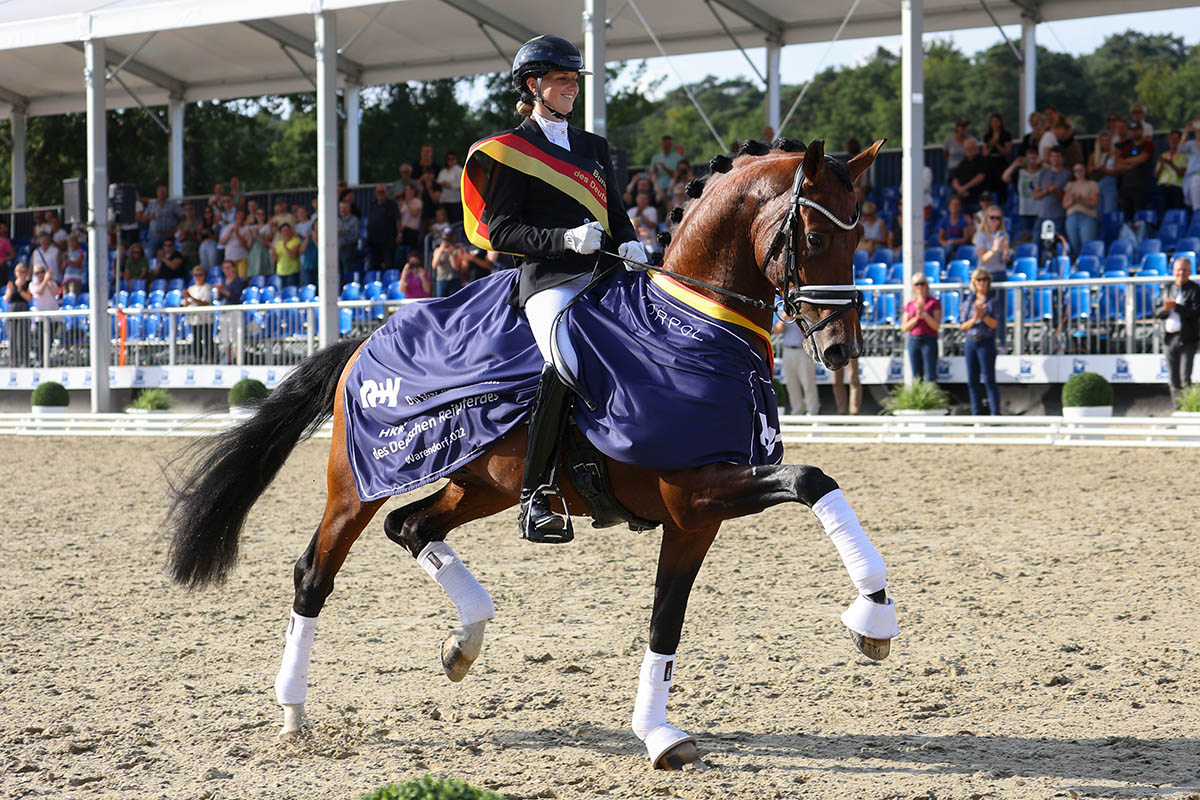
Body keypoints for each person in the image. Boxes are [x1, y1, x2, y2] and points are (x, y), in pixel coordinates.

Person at [462, 34, 642, 542]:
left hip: (605, 274)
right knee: (564, 359)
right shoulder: (513, 150)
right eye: (561, 80)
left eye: (573, 80)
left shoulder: (592, 147)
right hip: (548, 280)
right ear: (532, 84)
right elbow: (500, 231)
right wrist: (563, 239)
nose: (571, 88)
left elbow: (616, 216)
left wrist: (629, 242)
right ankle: (536, 494)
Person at [1157, 257, 1199, 406]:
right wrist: (1166, 309)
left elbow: (1195, 313)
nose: (1182, 272)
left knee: (1185, 378)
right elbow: (1157, 312)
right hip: (1168, 339)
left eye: (1185, 269)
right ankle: (1177, 411)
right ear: (1174, 271)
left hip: (1187, 339)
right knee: (1173, 380)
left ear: (1190, 271)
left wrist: (1177, 306)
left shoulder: (1195, 289)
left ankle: (1187, 411)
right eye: (1179, 269)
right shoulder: (1166, 289)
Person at [960, 268, 1001, 415]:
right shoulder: (969, 302)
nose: (982, 283)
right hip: (971, 341)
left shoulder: (993, 301)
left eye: (985, 280)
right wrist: (975, 318)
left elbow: (995, 324)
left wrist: (983, 317)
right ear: (974, 283)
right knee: (972, 379)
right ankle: (976, 413)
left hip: (986, 341)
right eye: (979, 280)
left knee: (989, 378)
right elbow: (963, 326)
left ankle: (995, 413)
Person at [974, 206, 1010, 347]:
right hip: (986, 277)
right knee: (986, 310)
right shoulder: (981, 235)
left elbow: (1004, 260)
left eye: (998, 218)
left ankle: (1001, 343)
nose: (995, 221)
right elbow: (982, 259)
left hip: (1000, 274)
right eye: (992, 217)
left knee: (1000, 312)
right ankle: (986, 340)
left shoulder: (1003, 234)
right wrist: (994, 249)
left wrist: (1006, 251)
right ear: (986, 219)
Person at [773, 315, 819, 415]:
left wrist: (797, 318)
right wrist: (784, 318)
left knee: (808, 383)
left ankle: (813, 412)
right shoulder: (784, 312)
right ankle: (797, 411)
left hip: (804, 351)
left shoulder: (803, 313)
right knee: (791, 384)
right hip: (788, 350)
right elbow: (776, 331)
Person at [901, 272, 941, 382]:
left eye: (922, 284)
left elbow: (936, 326)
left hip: (929, 340)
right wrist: (916, 317)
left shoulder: (934, 302)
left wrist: (924, 314)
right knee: (916, 376)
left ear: (926, 285)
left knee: (930, 376)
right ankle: (918, 399)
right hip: (914, 340)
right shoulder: (909, 305)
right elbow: (904, 327)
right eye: (917, 284)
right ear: (913, 287)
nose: (920, 287)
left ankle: (930, 399)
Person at [1116, 122, 1155, 222]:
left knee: (1140, 217)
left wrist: (1127, 161)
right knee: (1127, 218)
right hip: (1126, 187)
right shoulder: (1127, 147)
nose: (1135, 132)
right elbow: (1118, 164)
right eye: (1132, 130)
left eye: (1137, 130)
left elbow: (1143, 158)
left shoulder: (1148, 144)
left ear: (1141, 131)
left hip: (1141, 186)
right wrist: (1133, 163)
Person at [1032, 147, 1069, 246]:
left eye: (1058, 156)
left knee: (1057, 245)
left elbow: (1067, 199)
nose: (1055, 159)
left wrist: (1056, 191)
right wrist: (1046, 191)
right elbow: (1035, 195)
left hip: (1058, 216)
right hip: (1041, 215)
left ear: (1062, 158)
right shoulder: (1043, 173)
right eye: (1053, 156)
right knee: (1036, 244)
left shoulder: (1067, 174)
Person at [1062, 163, 1100, 257]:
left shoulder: (1092, 184)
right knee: (1074, 246)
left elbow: (1094, 203)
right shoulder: (1070, 185)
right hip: (1072, 217)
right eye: (1076, 170)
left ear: (1085, 171)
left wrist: (1080, 199)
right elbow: (1065, 205)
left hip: (1087, 217)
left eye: (1081, 170)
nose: (1078, 173)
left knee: (1087, 246)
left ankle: (1088, 267)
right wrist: (1074, 200)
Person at [1003, 151, 1041, 242]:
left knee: (1037, 236)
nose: (1031, 162)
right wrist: (1015, 164)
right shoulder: (1020, 172)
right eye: (1028, 159)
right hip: (1024, 210)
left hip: (1039, 211)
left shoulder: (1042, 172)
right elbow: (1005, 177)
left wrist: (1042, 162)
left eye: (1033, 159)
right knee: (1025, 236)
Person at [139, 185, 183, 259]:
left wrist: (176, 229)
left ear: (166, 193)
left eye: (163, 192)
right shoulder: (152, 204)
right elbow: (143, 218)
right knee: (150, 257)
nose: (161, 193)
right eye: (160, 192)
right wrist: (150, 216)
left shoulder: (173, 204)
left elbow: (183, 216)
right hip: (154, 236)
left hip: (168, 237)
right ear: (157, 193)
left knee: (169, 258)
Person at [181, 265, 215, 361]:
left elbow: (205, 302)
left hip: (206, 319)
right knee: (196, 340)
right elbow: (187, 303)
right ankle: (197, 359)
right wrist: (186, 299)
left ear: (204, 276)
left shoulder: (207, 287)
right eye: (196, 275)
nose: (198, 277)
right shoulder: (191, 288)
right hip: (194, 319)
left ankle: (211, 358)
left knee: (208, 339)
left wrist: (190, 298)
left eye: (200, 275)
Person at [214, 260, 244, 364]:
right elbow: (219, 298)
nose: (226, 270)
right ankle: (229, 361)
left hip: (234, 311)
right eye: (224, 268)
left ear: (233, 268)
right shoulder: (223, 281)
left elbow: (235, 296)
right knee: (225, 338)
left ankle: (239, 361)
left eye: (228, 267)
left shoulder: (238, 281)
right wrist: (219, 291)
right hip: (224, 311)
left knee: (235, 337)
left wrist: (222, 290)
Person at [364, 185, 400, 270]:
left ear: (386, 193)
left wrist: (399, 234)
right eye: (378, 192)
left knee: (388, 264)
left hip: (388, 240)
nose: (380, 194)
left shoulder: (392, 205)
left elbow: (398, 220)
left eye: (382, 192)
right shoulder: (372, 205)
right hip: (374, 241)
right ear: (375, 193)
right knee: (374, 265)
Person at [29, 262, 59, 365]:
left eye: (42, 272)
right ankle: (39, 360)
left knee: (49, 340)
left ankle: (46, 360)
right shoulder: (33, 284)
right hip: (40, 318)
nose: (40, 274)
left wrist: (48, 280)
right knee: (40, 341)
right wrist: (46, 279)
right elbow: (40, 291)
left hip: (52, 317)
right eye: (38, 272)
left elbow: (56, 292)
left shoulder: (51, 283)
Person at [5, 262, 32, 366]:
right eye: (19, 271)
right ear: (16, 273)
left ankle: (24, 360)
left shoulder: (28, 284)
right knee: (12, 336)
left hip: (23, 309)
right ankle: (13, 361)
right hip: (13, 309)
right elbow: (7, 299)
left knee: (23, 336)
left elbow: (29, 298)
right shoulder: (11, 284)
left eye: (23, 271)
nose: (21, 273)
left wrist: (20, 289)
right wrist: (11, 289)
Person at [981, 113, 1012, 201]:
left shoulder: (1006, 134)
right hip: (990, 164)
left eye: (996, 121)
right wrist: (991, 145)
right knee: (988, 187)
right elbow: (984, 153)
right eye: (993, 122)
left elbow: (1007, 152)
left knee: (1001, 187)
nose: (994, 124)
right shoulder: (987, 136)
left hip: (1001, 164)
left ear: (1001, 122)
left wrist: (997, 144)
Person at [1089, 130, 1120, 217]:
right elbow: (1089, 170)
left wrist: (1104, 170)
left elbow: (1118, 171)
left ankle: (1109, 228)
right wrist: (1095, 168)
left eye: (1107, 140)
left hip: (1110, 181)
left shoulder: (1116, 153)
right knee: (1098, 211)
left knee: (1109, 209)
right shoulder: (1094, 155)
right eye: (1103, 140)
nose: (1105, 143)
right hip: (1097, 183)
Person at [1156, 129, 1188, 212]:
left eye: (1175, 139)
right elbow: (1156, 175)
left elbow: (1182, 174)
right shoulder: (1163, 155)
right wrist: (1162, 164)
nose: (1173, 141)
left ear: (1180, 140)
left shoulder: (1185, 155)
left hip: (1177, 188)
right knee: (1162, 214)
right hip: (1162, 187)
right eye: (1171, 139)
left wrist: (1171, 164)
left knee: (1175, 213)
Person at [951, 138, 988, 210]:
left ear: (976, 148)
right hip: (963, 199)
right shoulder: (963, 163)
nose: (969, 150)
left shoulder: (982, 160)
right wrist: (960, 189)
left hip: (977, 199)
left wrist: (965, 187)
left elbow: (980, 177)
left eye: (971, 148)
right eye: (967, 149)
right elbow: (954, 179)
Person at [937, 195, 974, 260]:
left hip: (960, 245)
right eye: (953, 204)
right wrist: (946, 243)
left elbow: (966, 239)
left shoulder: (964, 220)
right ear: (949, 206)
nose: (954, 206)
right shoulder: (944, 220)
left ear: (960, 207)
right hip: (948, 246)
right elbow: (940, 239)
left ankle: (945, 263)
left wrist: (953, 241)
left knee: (950, 247)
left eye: (957, 204)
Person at [220, 209, 251, 278]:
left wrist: (237, 233)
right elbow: (221, 242)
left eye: (242, 216)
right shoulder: (228, 227)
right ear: (235, 216)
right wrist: (229, 233)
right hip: (229, 258)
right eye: (238, 215)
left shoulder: (247, 228)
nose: (240, 217)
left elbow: (246, 245)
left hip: (242, 257)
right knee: (231, 278)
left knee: (243, 278)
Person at [649, 135, 682, 200]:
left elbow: (678, 175)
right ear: (662, 145)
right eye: (665, 144)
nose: (666, 146)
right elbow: (652, 176)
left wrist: (665, 168)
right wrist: (655, 170)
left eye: (669, 144)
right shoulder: (655, 158)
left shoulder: (678, 158)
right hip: (658, 190)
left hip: (673, 189)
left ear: (672, 145)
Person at [431, 231, 462, 297]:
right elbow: (434, 266)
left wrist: (451, 254)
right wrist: (441, 250)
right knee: (440, 302)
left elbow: (456, 268)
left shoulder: (456, 250)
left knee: (455, 302)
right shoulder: (437, 250)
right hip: (441, 280)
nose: (447, 240)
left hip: (454, 280)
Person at [272, 223, 302, 288]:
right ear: (281, 233)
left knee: (290, 293)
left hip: (292, 272)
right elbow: (275, 258)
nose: (286, 232)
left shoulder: (296, 241)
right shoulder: (279, 243)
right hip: (280, 272)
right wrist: (272, 251)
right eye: (283, 231)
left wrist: (285, 246)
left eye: (287, 230)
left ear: (291, 231)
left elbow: (294, 256)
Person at [294, 205, 317, 287]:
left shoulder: (311, 224)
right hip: (303, 256)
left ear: (307, 213)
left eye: (302, 212)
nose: (301, 214)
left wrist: (302, 237)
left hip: (312, 253)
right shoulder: (297, 226)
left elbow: (310, 238)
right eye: (299, 213)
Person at [437, 153, 464, 223]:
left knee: (454, 223)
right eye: (448, 159)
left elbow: (461, 184)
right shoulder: (443, 171)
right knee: (444, 223)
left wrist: (450, 186)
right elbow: (438, 181)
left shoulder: (459, 170)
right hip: (444, 200)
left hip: (455, 202)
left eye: (453, 158)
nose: (450, 161)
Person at [248, 207, 273, 278]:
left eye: (262, 214)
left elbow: (266, 243)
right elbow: (248, 245)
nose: (260, 216)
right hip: (253, 253)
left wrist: (258, 234)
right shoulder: (252, 227)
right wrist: (251, 236)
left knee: (264, 275)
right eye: (258, 214)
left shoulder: (267, 227)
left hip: (263, 253)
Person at [177, 203, 202, 268]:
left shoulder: (199, 222)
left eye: (190, 209)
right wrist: (185, 234)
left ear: (194, 210)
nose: (188, 211)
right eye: (186, 209)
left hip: (195, 251)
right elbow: (179, 239)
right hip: (184, 251)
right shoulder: (182, 224)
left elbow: (199, 240)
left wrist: (190, 234)